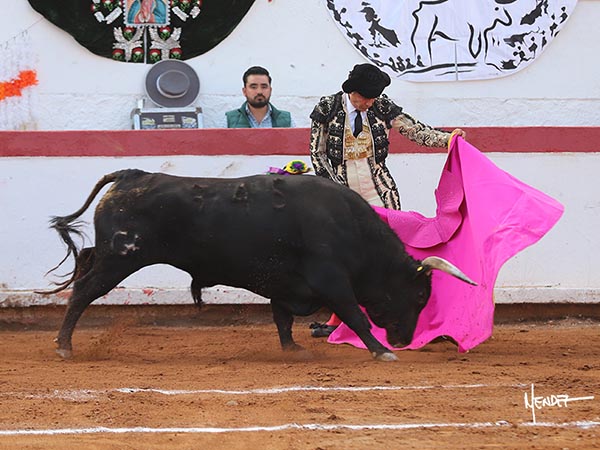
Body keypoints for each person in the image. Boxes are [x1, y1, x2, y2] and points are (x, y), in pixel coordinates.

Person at [308, 63, 466, 337]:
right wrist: (332, 190)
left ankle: (421, 319)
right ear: (352, 91)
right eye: (365, 98)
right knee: (344, 259)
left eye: (373, 98)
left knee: (393, 259)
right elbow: (317, 153)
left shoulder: (380, 106)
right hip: (342, 195)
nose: (369, 103)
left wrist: (447, 139)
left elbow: (413, 130)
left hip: (380, 191)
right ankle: (339, 321)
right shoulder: (327, 108)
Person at [225, 66, 294, 128]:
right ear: (244, 91)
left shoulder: (287, 121)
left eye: (264, 87)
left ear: (270, 90)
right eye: (253, 87)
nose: (259, 91)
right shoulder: (229, 121)